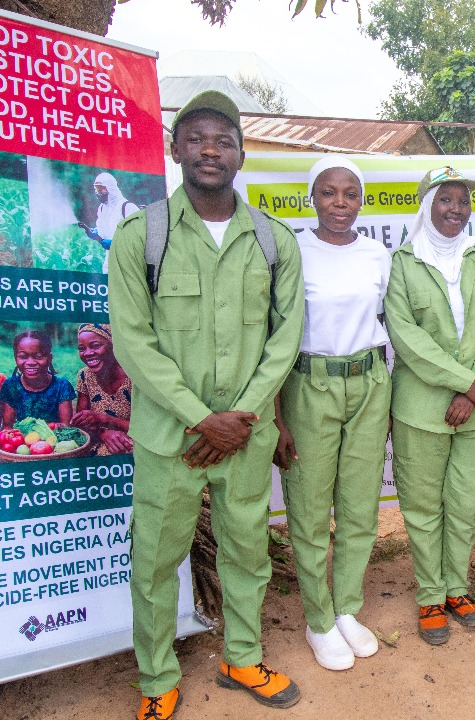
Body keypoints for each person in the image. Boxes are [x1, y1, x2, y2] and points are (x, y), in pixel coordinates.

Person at [108, 90, 305, 720]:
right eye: (196, 139)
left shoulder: (275, 242)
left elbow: (286, 337)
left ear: (243, 153)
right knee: (155, 562)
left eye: (223, 139)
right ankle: (157, 678)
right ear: (175, 150)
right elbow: (132, 341)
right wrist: (202, 418)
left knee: (248, 552)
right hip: (172, 438)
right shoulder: (142, 237)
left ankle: (241, 656)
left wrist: (240, 418)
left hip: (244, 436)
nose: (210, 150)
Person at [383, 166, 475, 645]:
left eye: (463, 201)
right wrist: (468, 382)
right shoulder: (402, 263)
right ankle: (429, 596)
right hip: (421, 408)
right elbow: (407, 337)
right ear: (427, 204)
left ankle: (457, 587)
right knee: (422, 507)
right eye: (446, 200)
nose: (455, 210)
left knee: (465, 503)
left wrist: (474, 390)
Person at [272, 156, 390, 671]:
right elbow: (273, 335)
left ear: (361, 199)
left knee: (361, 505)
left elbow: (389, 319)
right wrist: (276, 416)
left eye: (350, 194)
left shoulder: (377, 254)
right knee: (310, 509)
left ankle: (347, 608)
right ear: (312, 197)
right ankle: (318, 619)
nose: (339, 204)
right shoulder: (291, 249)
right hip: (309, 384)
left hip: (369, 382)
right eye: (328, 193)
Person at [70, 323, 133, 455]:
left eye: (96, 346)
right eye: (82, 348)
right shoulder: (85, 375)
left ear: (112, 344)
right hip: (98, 442)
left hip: (134, 442)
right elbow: (82, 425)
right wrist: (103, 433)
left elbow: (150, 427)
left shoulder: (134, 375)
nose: (87, 353)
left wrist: (106, 419)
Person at [0, 329, 75, 426]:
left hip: (54, 438)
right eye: (23, 356)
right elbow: (8, 428)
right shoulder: (11, 386)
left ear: (49, 358)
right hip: (20, 439)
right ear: (15, 358)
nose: (30, 362)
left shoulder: (62, 386)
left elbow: (66, 427)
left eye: (38, 356)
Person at [81, 172, 138, 273]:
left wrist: (116, 243)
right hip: (109, 260)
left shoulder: (127, 207)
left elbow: (139, 236)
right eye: (96, 189)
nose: (98, 192)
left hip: (128, 261)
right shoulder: (102, 208)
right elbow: (104, 231)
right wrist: (95, 233)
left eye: (101, 188)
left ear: (110, 188)